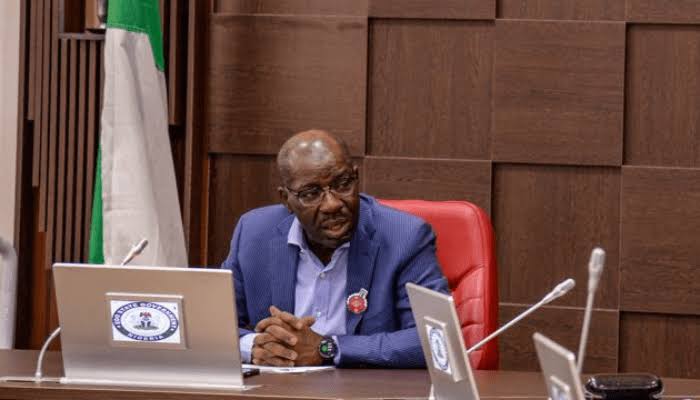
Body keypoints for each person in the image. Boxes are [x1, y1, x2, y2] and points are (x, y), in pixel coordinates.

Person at [221, 129, 448, 368]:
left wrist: (327, 348)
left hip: (363, 386)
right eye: (311, 193)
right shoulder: (254, 233)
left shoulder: (405, 237)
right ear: (286, 200)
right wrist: (255, 346)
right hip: (276, 385)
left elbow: (435, 339)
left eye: (342, 184)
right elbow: (211, 324)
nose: (332, 204)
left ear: (356, 178)